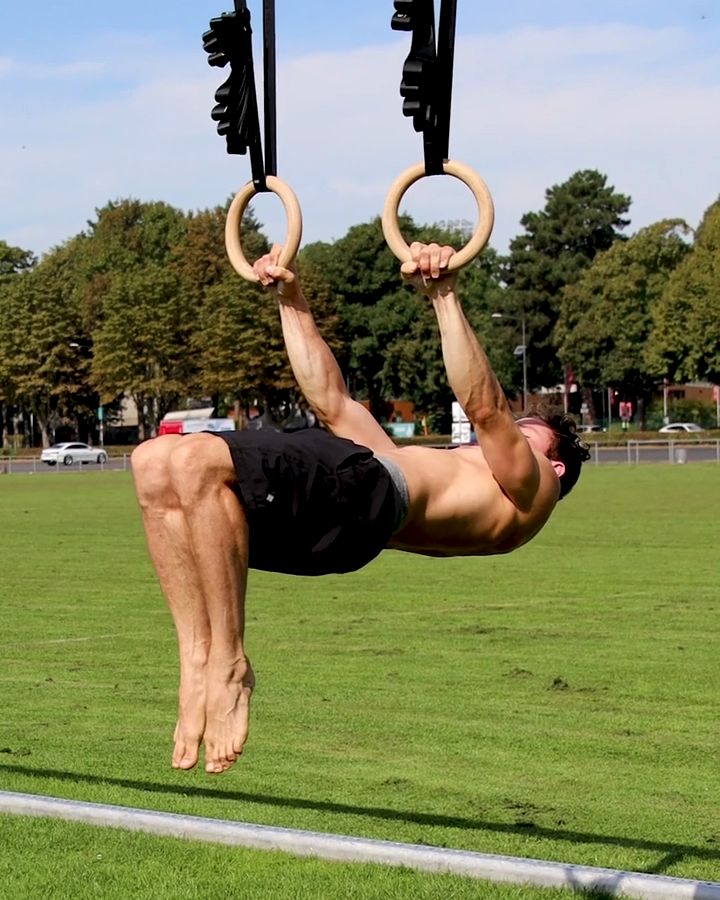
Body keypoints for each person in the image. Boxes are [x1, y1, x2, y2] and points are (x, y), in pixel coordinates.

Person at [131, 242, 590, 775]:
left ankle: (228, 664)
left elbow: (485, 409)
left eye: (530, 431)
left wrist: (444, 295)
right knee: (153, 461)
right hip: (348, 524)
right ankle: (197, 662)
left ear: (555, 466)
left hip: (366, 497)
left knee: (193, 461)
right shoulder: (434, 468)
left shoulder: (536, 493)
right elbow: (333, 402)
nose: (516, 430)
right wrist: (290, 299)